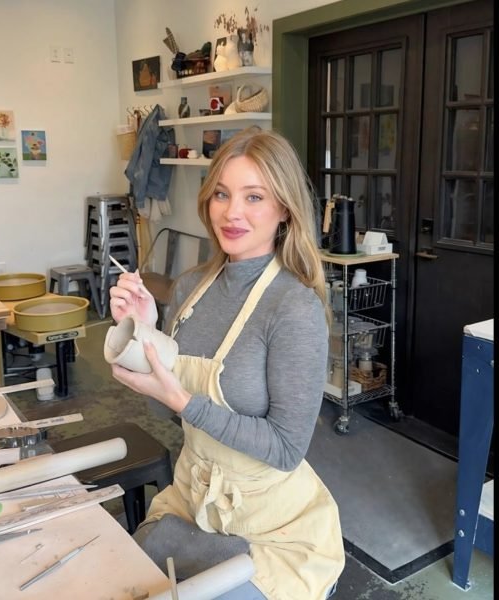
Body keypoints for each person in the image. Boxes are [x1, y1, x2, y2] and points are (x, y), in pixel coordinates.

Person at [109, 127, 345, 599]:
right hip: (193, 498)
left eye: (254, 197)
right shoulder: (190, 288)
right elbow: (166, 412)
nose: (232, 212)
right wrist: (145, 335)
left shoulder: (294, 308)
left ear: (284, 209)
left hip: (273, 526)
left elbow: (285, 449)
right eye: (222, 194)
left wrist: (185, 401)